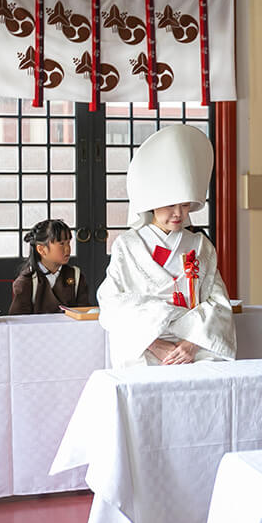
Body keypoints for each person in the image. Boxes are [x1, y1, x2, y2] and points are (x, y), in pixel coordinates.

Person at [96, 124, 236, 369]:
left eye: (184, 205)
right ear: (152, 203)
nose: (179, 214)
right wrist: (155, 343)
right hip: (145, 344)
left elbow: (218, 302)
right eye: (171, 205)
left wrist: (191, 344)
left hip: (196, 345)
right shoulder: (128, 245)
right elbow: (111, 301)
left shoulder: (200, 245)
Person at [8, 219, 91, 315]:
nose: (68, 248)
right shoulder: (27, 281)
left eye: (68, 242)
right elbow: (18, 322)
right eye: (61, 244)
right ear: (41, 249)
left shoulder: (76, 276)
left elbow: (85, 314)